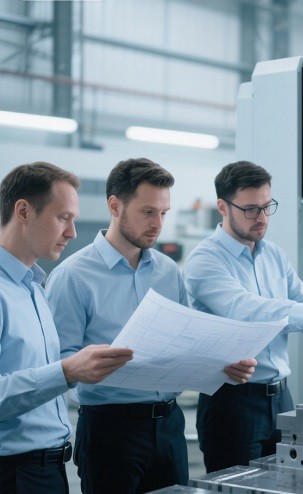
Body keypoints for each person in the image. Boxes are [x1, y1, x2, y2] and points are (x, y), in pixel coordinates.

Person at [45, 158, 257, 494]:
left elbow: (188, 341)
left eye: (163, 213)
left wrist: (221, 363)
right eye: (147, 212)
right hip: (111, 430)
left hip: (169, 426)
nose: (158, 223)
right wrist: (94, 367)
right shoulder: (73, 276)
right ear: (115, 205)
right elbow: (58, 364)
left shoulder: (168, 271)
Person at [183, 160, 303, 473]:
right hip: (232, 403)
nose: (262, 218)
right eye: (251, 209)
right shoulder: (205, 260)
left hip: (281, 398)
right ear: (222, 207)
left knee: (288, 483)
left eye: (268, 207)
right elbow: (246, 308)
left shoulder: (273, 254)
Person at [0, 162, 133, 494]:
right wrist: (67, 371)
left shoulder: (34, 288)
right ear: (23, 211)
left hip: (48, 470)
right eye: (63, 218)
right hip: (12, 474)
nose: (72, 232)